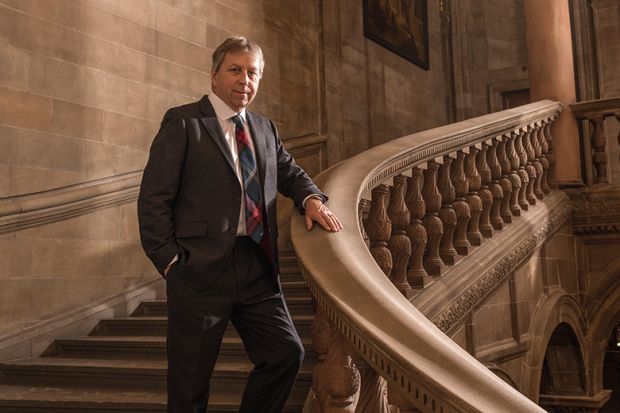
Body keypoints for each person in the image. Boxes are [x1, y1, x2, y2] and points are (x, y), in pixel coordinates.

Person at [137, 36, 342, 413]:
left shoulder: (265, 129)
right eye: (235, 70)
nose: (244, 80)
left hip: (256, 267)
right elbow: (153, 200)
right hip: (199, 271)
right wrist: (170, 263)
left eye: (252, 73)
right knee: (189, 386)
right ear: (214, 75)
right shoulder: (184, 122)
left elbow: (290, 173)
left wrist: (311, 198)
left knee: (286, 354)